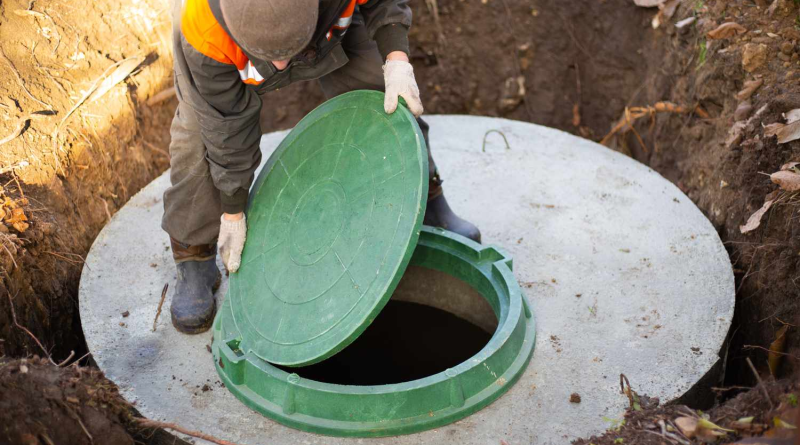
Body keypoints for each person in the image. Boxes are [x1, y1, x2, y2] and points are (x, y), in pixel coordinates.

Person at [163, 0, 481, 334]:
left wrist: (396, 57)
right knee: (198, 140)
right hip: (223, 52)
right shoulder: (203, 29)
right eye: (273, 56)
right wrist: (232, 208)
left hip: (326, 26)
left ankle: (422, 196)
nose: (282, 65)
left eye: (288, 52)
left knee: (379, 91)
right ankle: (193, 255)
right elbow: (226, 128)